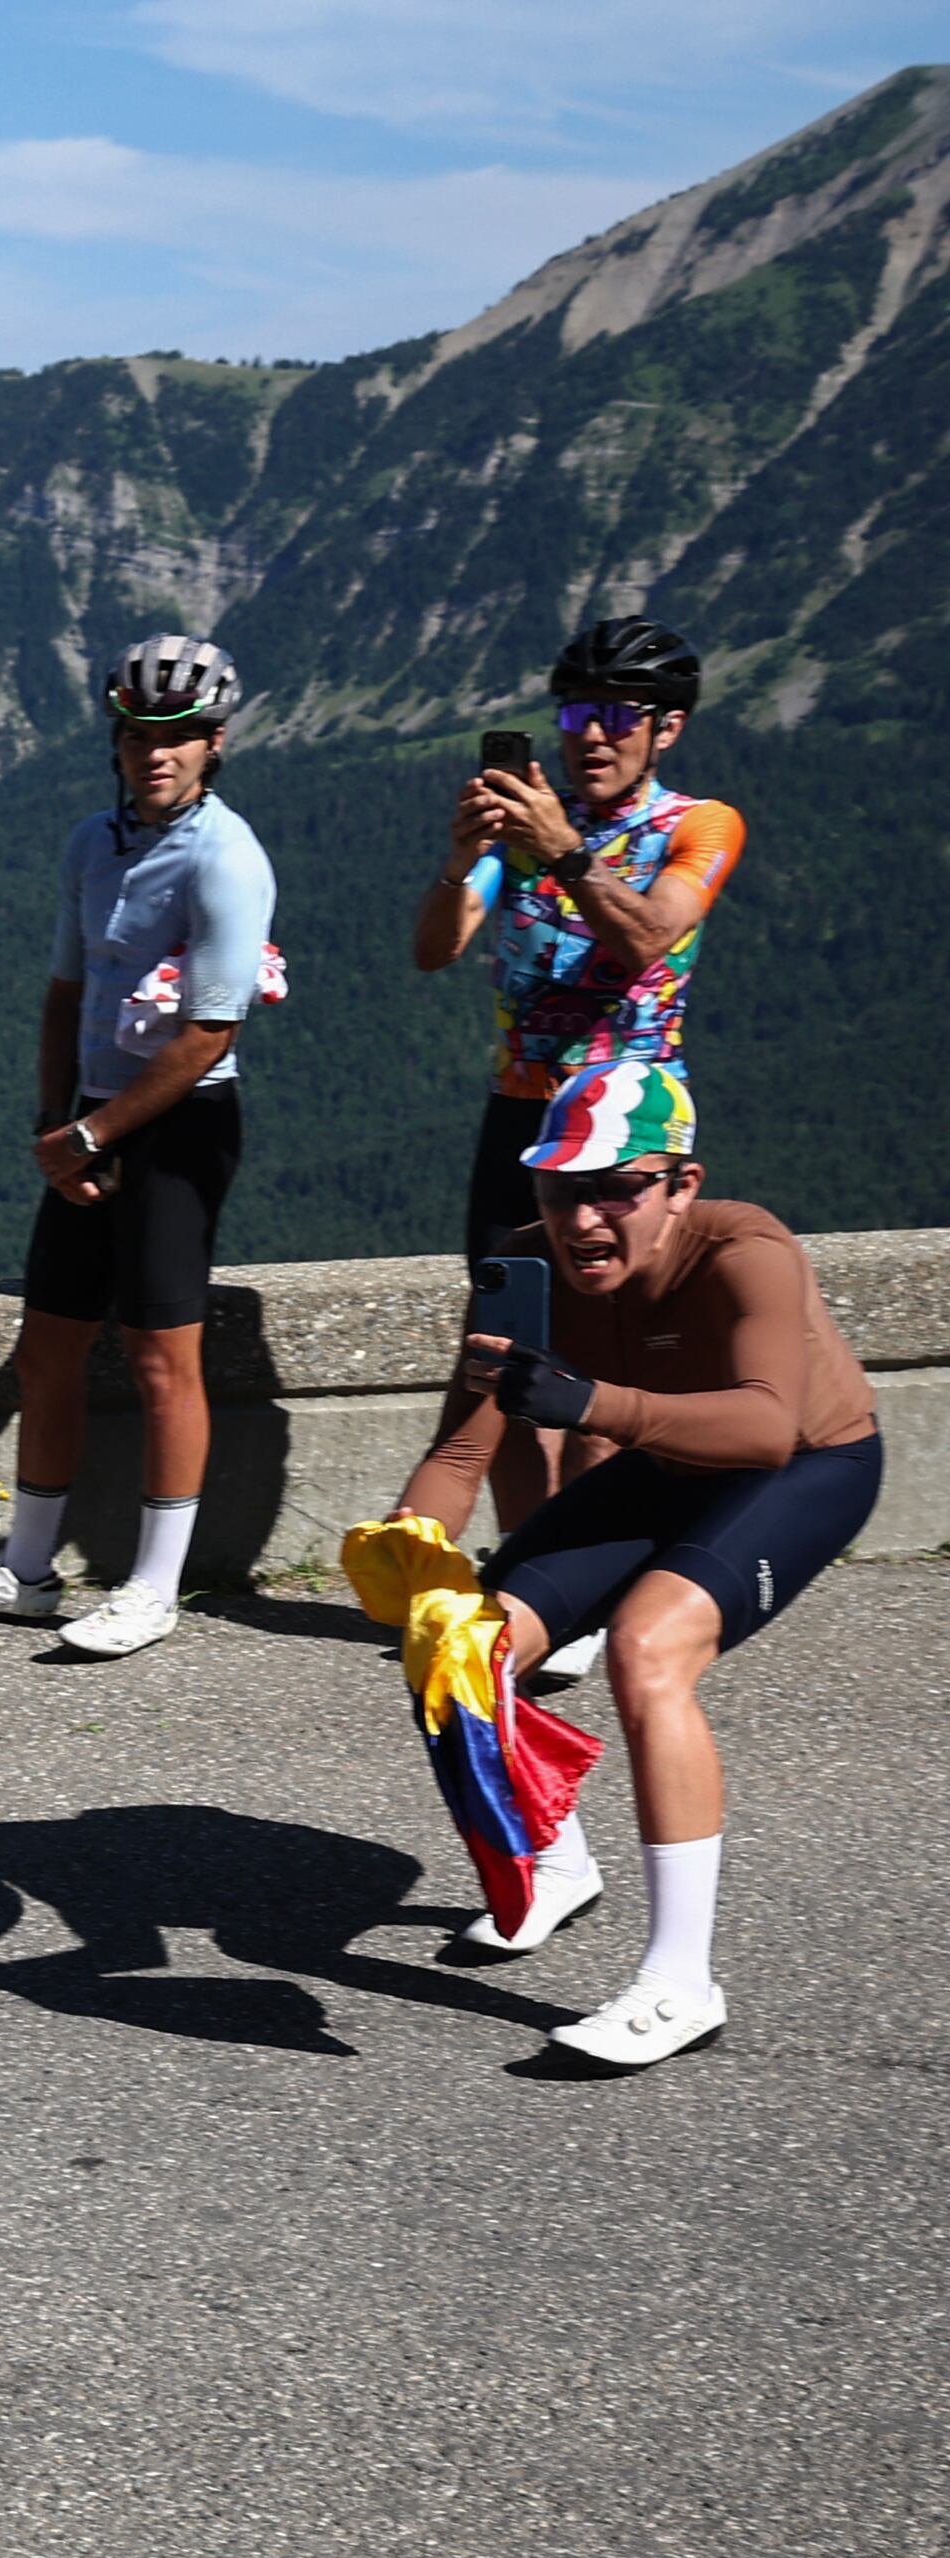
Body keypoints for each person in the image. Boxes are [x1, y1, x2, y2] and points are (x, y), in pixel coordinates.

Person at [375, 1068, 876, 2070]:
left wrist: (591, 1403)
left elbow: (765, 1427)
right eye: (561, 1189)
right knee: (458, 1647)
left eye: (617, 1188)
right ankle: (554, 1863)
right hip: (664, 1461)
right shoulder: (524, 1269)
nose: (583, 1218)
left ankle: (679, 1984)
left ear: (680, 1185)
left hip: (803, 1465)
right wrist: (409, 1544)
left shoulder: (744, 1251)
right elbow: (460, 1456)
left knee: (645, 1648)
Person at [0, 636, 280, 1660]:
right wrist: (53, 1120)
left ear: (213, 742)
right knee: (50, 1348)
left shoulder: (225, 856)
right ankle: (25, 1570)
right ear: (115, 741)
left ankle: (152, 1588)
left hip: (181, 1123)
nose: (155, 753)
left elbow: (211, 1032)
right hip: (88, 1116)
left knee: (163, 1359)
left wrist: (87, 1134)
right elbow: (66, 991)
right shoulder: (90, 844)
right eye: (136, 735)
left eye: (177, 735)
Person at [411, 616, 742, 1599]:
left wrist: (561, 851)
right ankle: (532, 1571)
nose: (591, 735)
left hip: (630, 1124)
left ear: (667, 728)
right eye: (574, 714)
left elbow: (648, 936)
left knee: (605, 1369)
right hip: (520, 1117)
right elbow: (434, 948)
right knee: (505, 1360)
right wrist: (460, 856)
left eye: (618, 715)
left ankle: (591, 1581)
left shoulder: (697, 825)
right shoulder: (521, 829)